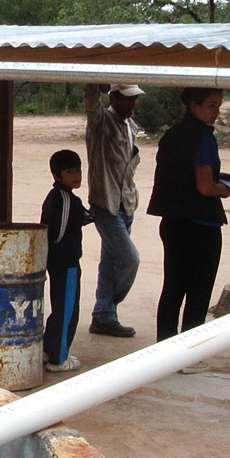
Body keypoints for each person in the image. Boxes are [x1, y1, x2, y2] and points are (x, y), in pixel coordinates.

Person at [146, 87, 230, 373]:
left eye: (218, 106)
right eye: (211, 105)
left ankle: (164, 350)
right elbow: (205, 186)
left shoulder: (171, 136)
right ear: (193, 105)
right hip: (202, 223)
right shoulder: (204, 138)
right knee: (198, 291)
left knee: (172, 287)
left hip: (172, 221)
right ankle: (189, 355)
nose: (215, 112)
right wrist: (224, 188)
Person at [83, 84, 143, 338]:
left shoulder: (131, 127)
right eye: (127, 99)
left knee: (110, 262)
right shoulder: (101, 122)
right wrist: (94, 81)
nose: (132, 104)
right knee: (130, 259)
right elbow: (90, 103)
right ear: (113, 98)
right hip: (105, 203)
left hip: (125, 203)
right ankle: (110, 305)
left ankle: (104, 315)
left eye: (134, 99)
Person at [42, 149, 92, 373]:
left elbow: (83, 216)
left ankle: (48, 348)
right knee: (67, 310)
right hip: (66, 261)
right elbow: (57, 232)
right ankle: (59, 358)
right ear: (57, 175)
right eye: (70, 171)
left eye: (79, 170)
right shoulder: (64, 199)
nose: (77, 175)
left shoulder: (67, 198)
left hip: (58, 260)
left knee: (60, 306)